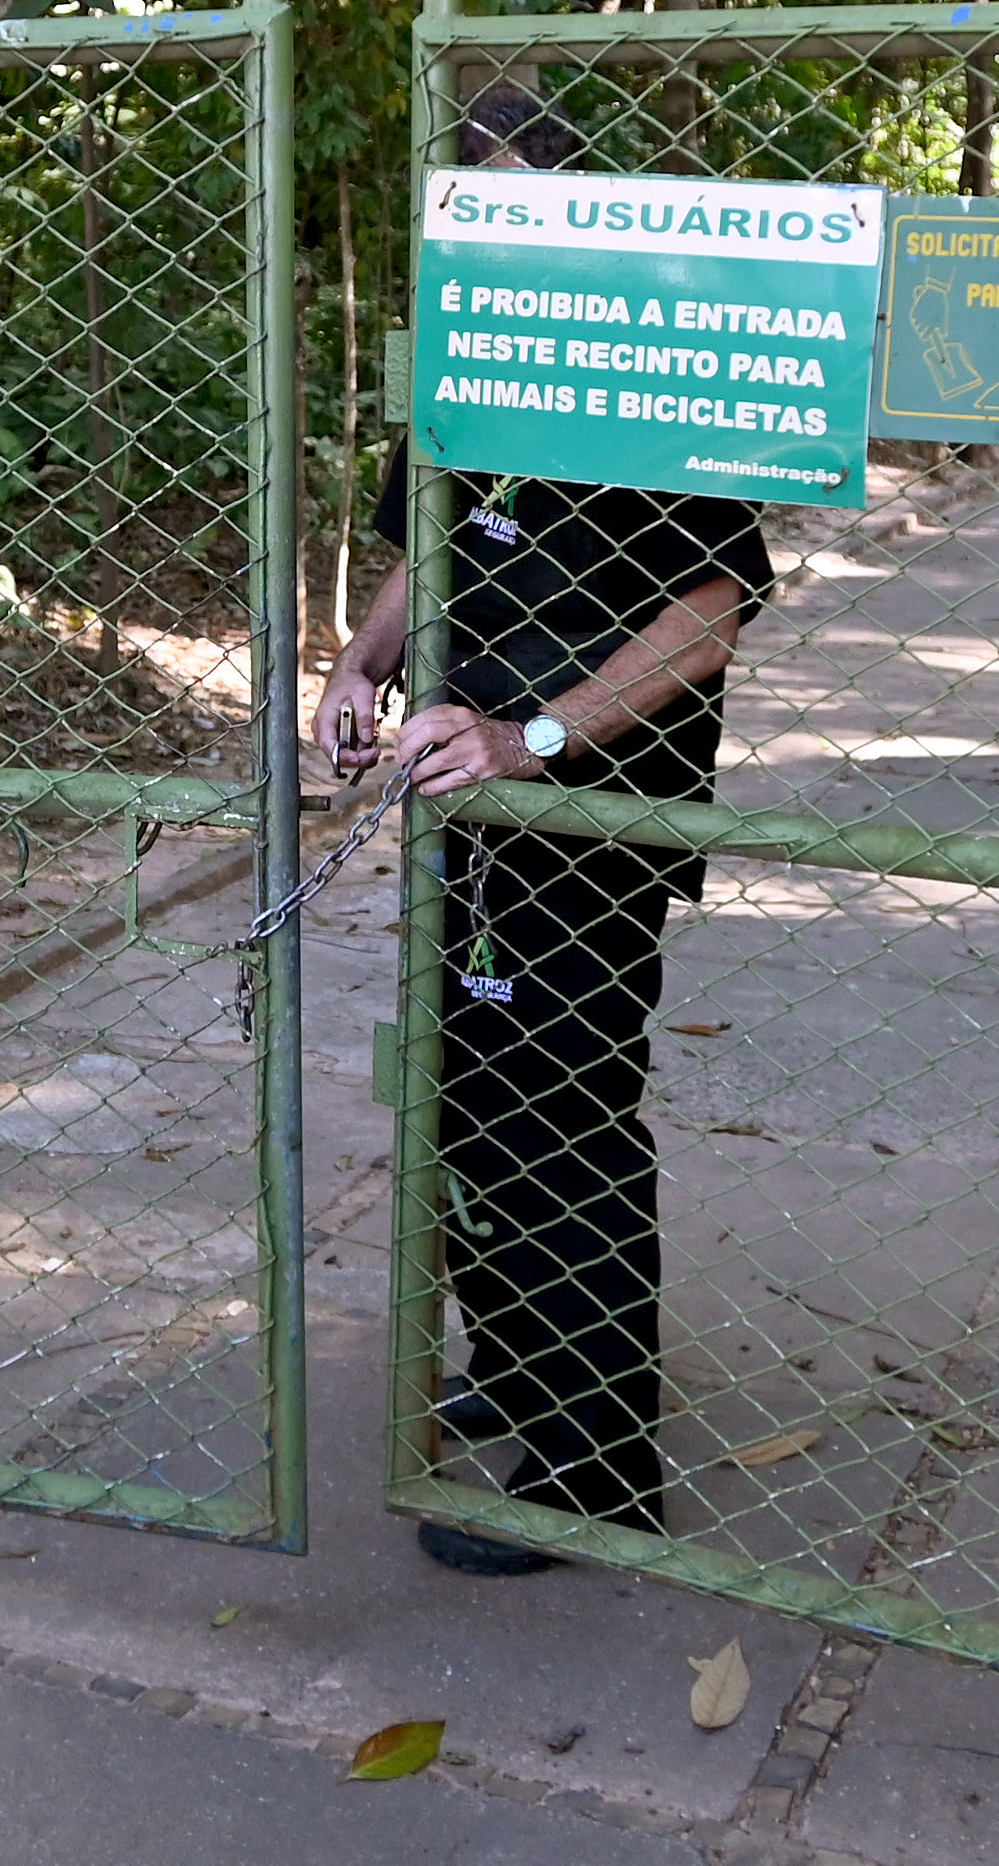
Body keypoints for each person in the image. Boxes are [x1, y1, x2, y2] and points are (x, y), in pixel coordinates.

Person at [316, 92, 772, 1576]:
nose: (487, 225)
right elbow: (428, 546)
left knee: (558, 1121)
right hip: (465, 806)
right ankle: (523, 1374)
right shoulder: (468, 346)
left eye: (514, 199)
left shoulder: (656, 359)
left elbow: (710, 614)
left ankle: (599, 1467)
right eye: (468, 200)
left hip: (587, 808)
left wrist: (538, 736)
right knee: (466, 1103)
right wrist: (359, 667)